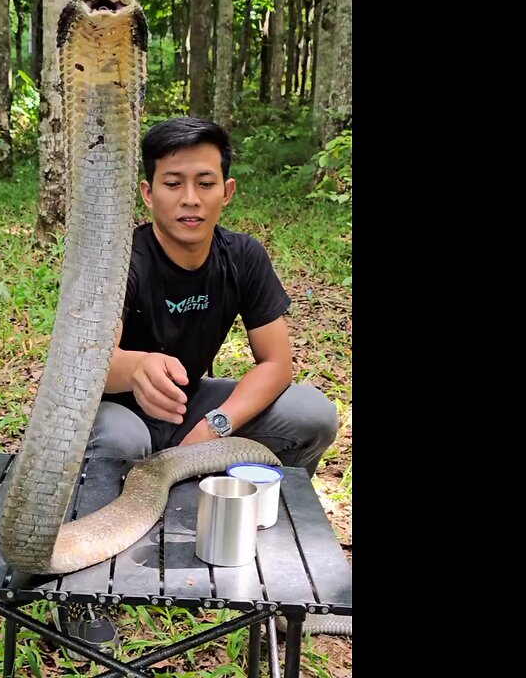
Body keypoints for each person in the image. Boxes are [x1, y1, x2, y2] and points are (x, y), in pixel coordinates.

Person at [64, 116, 339, 651]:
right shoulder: (120, 260)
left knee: (312, 415)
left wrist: (217, 424)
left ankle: (270, 537)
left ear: (226, 191)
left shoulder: (243, 257)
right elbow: (85, 364)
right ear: (148, 193)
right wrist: (135, 365)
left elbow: (277, 363)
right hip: (112, 411)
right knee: (121, 439)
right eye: (172, 183)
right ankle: (85, 592)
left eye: (205, 183)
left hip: (190, 411)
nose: (189, 198)